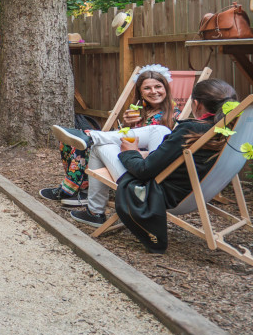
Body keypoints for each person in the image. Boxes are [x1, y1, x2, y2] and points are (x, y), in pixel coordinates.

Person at [55, 79, 236, 246]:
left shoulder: (191, 128)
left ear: (196, 104)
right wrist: (150, 153)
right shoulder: (228, 130)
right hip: (198, 191)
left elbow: (143, 171)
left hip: (154, 193)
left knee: (99, 148)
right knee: (159, 129)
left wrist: (131, 153)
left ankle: (94, 212)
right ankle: (91, 136)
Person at [41, 65, 178, 207]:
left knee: (88, 143)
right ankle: (77, 186)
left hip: (140, 159)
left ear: (166, 89)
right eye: (147, 88)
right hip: (123, 149)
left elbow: (166, 149)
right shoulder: (138, 110)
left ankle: (71, 190)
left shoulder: (174, 115)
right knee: (69, 142)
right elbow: (125, 135)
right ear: (140, 92)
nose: (154, 91)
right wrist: (126, 124)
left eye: (158, 87)